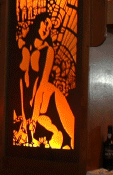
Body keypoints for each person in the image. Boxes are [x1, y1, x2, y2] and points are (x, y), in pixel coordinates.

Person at [16, 12, 75, 149]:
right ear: (38, 22)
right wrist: (24, 116)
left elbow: (42, 83)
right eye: (45, 23)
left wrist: (33, 117)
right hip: (28, 98)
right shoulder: (24, 48)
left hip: (48, 98)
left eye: (50, 28)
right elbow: (21, 82)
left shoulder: (48, 50)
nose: (47, 29)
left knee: (69, 130)